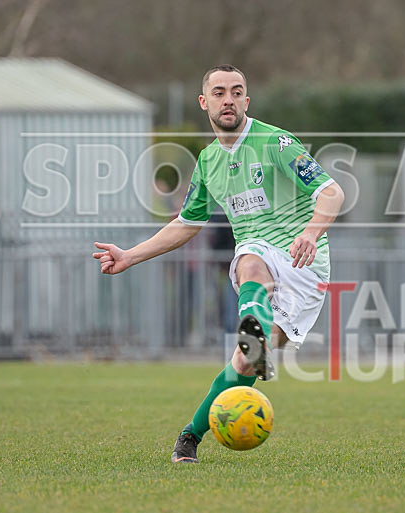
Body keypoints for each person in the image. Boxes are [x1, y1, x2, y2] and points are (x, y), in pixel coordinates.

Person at [92, 65, 344, 462]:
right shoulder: (208, 161)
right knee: (249, 259)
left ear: (247, 100)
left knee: (242, 360)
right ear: (204, 102)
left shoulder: (276, 143)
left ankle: (254, 339)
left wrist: (311, 233)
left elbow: (332, 192)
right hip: (259, 257)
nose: (229, 99)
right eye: (220, 92)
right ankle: (189, 437)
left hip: (304, 266)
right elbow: (185, 225)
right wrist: (131, 256)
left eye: (237, 91)